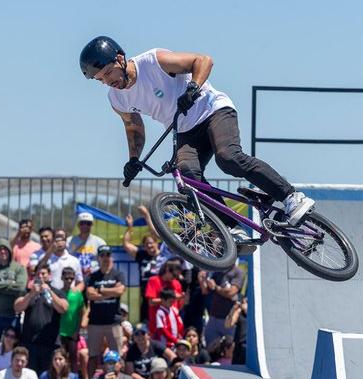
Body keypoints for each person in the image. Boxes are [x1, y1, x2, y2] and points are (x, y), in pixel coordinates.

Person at [80, 37, 315, 237]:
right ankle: (232, 229)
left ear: (120, 58)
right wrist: (133, 160)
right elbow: (133, 128)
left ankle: (291, 197)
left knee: (228, 158)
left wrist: (193, 87)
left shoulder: (153, 62)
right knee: (188, 177)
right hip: (184, 130)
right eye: (101, 79)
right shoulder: (117, 99)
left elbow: (202, 61)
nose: (108, 81)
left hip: (212, 110)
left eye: (109, 72)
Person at [14, 264, 68, 372]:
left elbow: (63, 308)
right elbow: (17, 307)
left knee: (48, 376)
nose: (40, 276)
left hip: (50, 343)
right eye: (38, 274)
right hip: (30, 343)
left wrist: (50, 292)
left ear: (49, 275)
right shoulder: (27, 292)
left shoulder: (58, 292)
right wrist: (31, 294)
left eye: (43, 273)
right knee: (31, 375)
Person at [85, 245, 125, 376]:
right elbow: (90, 294)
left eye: (108, 254)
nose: (105, 258)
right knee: (93, 356)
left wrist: (101, 290)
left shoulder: (118, 274)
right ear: (98, 258)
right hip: (95, 322)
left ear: (111, 256)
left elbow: (120, 291)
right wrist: (111, 292)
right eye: (102, 255)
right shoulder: (93, 276)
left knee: (117, 356)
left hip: (114, 321)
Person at [0, 240, 27, 345]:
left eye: (5, 249)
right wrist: (9, 284)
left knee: (11, 349)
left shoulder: (19, 268)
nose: (2, 251)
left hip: (12, 316)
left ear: (10, 251)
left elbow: (20, 287)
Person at [123, 205, 162, 322]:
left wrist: (147, 216)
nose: (149, 246)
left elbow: (155, 233)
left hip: (161, 296)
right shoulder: (142, 255)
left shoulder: (163, 255)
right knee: (146, 325)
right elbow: (126, 244)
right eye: (146, 244)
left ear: (156, 243)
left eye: (151, 243)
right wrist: (130, 227)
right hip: (146, 296)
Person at [200, 264, 245, 347]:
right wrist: (202, 280)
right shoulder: (217, 271)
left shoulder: (238, 272)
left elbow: (231, 292)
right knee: (211, 349)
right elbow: (205, 291)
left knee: (229, 350)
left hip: (229, 320)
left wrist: (216, 287)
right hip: (213, 318)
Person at [57, 267, 85, 377]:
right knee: (60, 357)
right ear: (62, 278)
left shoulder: (77, 294)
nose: (69, 280)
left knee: (73, 358)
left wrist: (76, 331)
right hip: (60, 332)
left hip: (72, 332)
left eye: (71, 278)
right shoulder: (58, 293)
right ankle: (59, 377)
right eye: (67, 278)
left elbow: (80, 313)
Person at [145, 261, 184, 334]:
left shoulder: (177, 284)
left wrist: (183, 298)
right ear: (167, 270)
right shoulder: (154, 280)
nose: (175, 278)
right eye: (174, 275)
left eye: (177, 276)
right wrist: (171, 298)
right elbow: (151, 302)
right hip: (157, 324)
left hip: (173, 325)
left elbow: (179, 307)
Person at [68, 212, 106, 278]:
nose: (85, 226)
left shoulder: (100, 242)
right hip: (74, 277)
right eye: (82, 223)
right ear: (78, 225)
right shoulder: (69, 241)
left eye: (88, 223)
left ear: (92, 225)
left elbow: (105, 261)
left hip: (94, 277)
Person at [226, 296, 248, 364]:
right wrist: (233, 310)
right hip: (239, 344)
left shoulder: (254, 312)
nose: (243, 303)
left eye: (246, 302)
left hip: (248, 344)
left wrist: (246, 310)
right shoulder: (239, 312)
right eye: (243, 301)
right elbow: (228, 324)